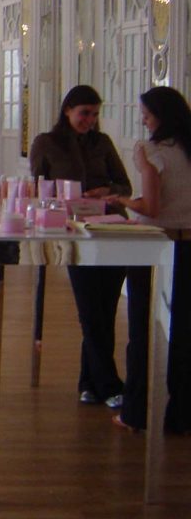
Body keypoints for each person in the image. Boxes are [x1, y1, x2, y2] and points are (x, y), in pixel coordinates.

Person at [29, 85, 132, 408]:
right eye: (84, 113)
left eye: (95, 114)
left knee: (105, 307)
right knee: (90, 309)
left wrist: (106, 191)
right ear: (68, 111)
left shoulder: (102, 143)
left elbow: (124, 184)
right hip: (72, 229)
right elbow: (38, 189)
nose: (90, 120)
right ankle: (111, 383)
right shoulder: (47, 143)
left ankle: (89, 382)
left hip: (109, 226)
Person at [107, 87, 191, 433]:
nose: (143, 119)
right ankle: (183, 414)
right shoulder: (185, 149)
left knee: (141, 329)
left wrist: (124, 200)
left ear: (160, 115)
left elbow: (152, 207)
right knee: (184, 330)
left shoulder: (149, 150)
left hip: (153, 242)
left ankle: (136, 410)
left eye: (146, 114)